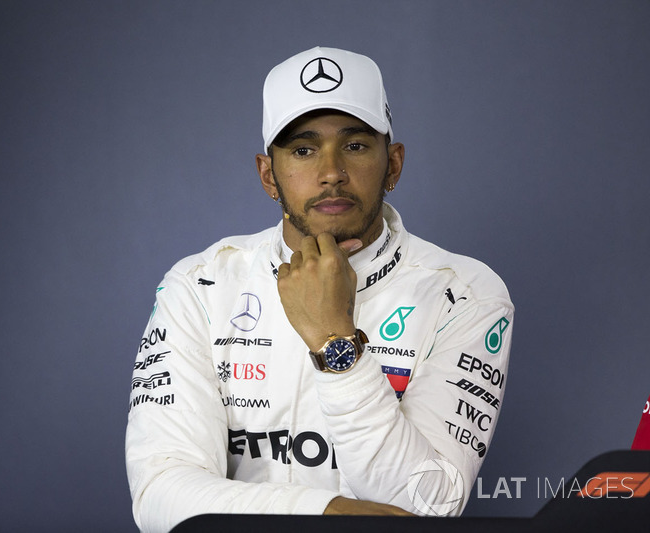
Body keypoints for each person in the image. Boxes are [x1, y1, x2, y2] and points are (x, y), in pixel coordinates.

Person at [126, 46, 514, 532]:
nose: (331, 171)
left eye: (354, 145)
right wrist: (332, 513)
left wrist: (334, 341)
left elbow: (429, 505)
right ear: (269, 175)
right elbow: (160, 497)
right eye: (304, 150)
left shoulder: (467, 293)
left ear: (392, 165)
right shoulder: (200, 286)